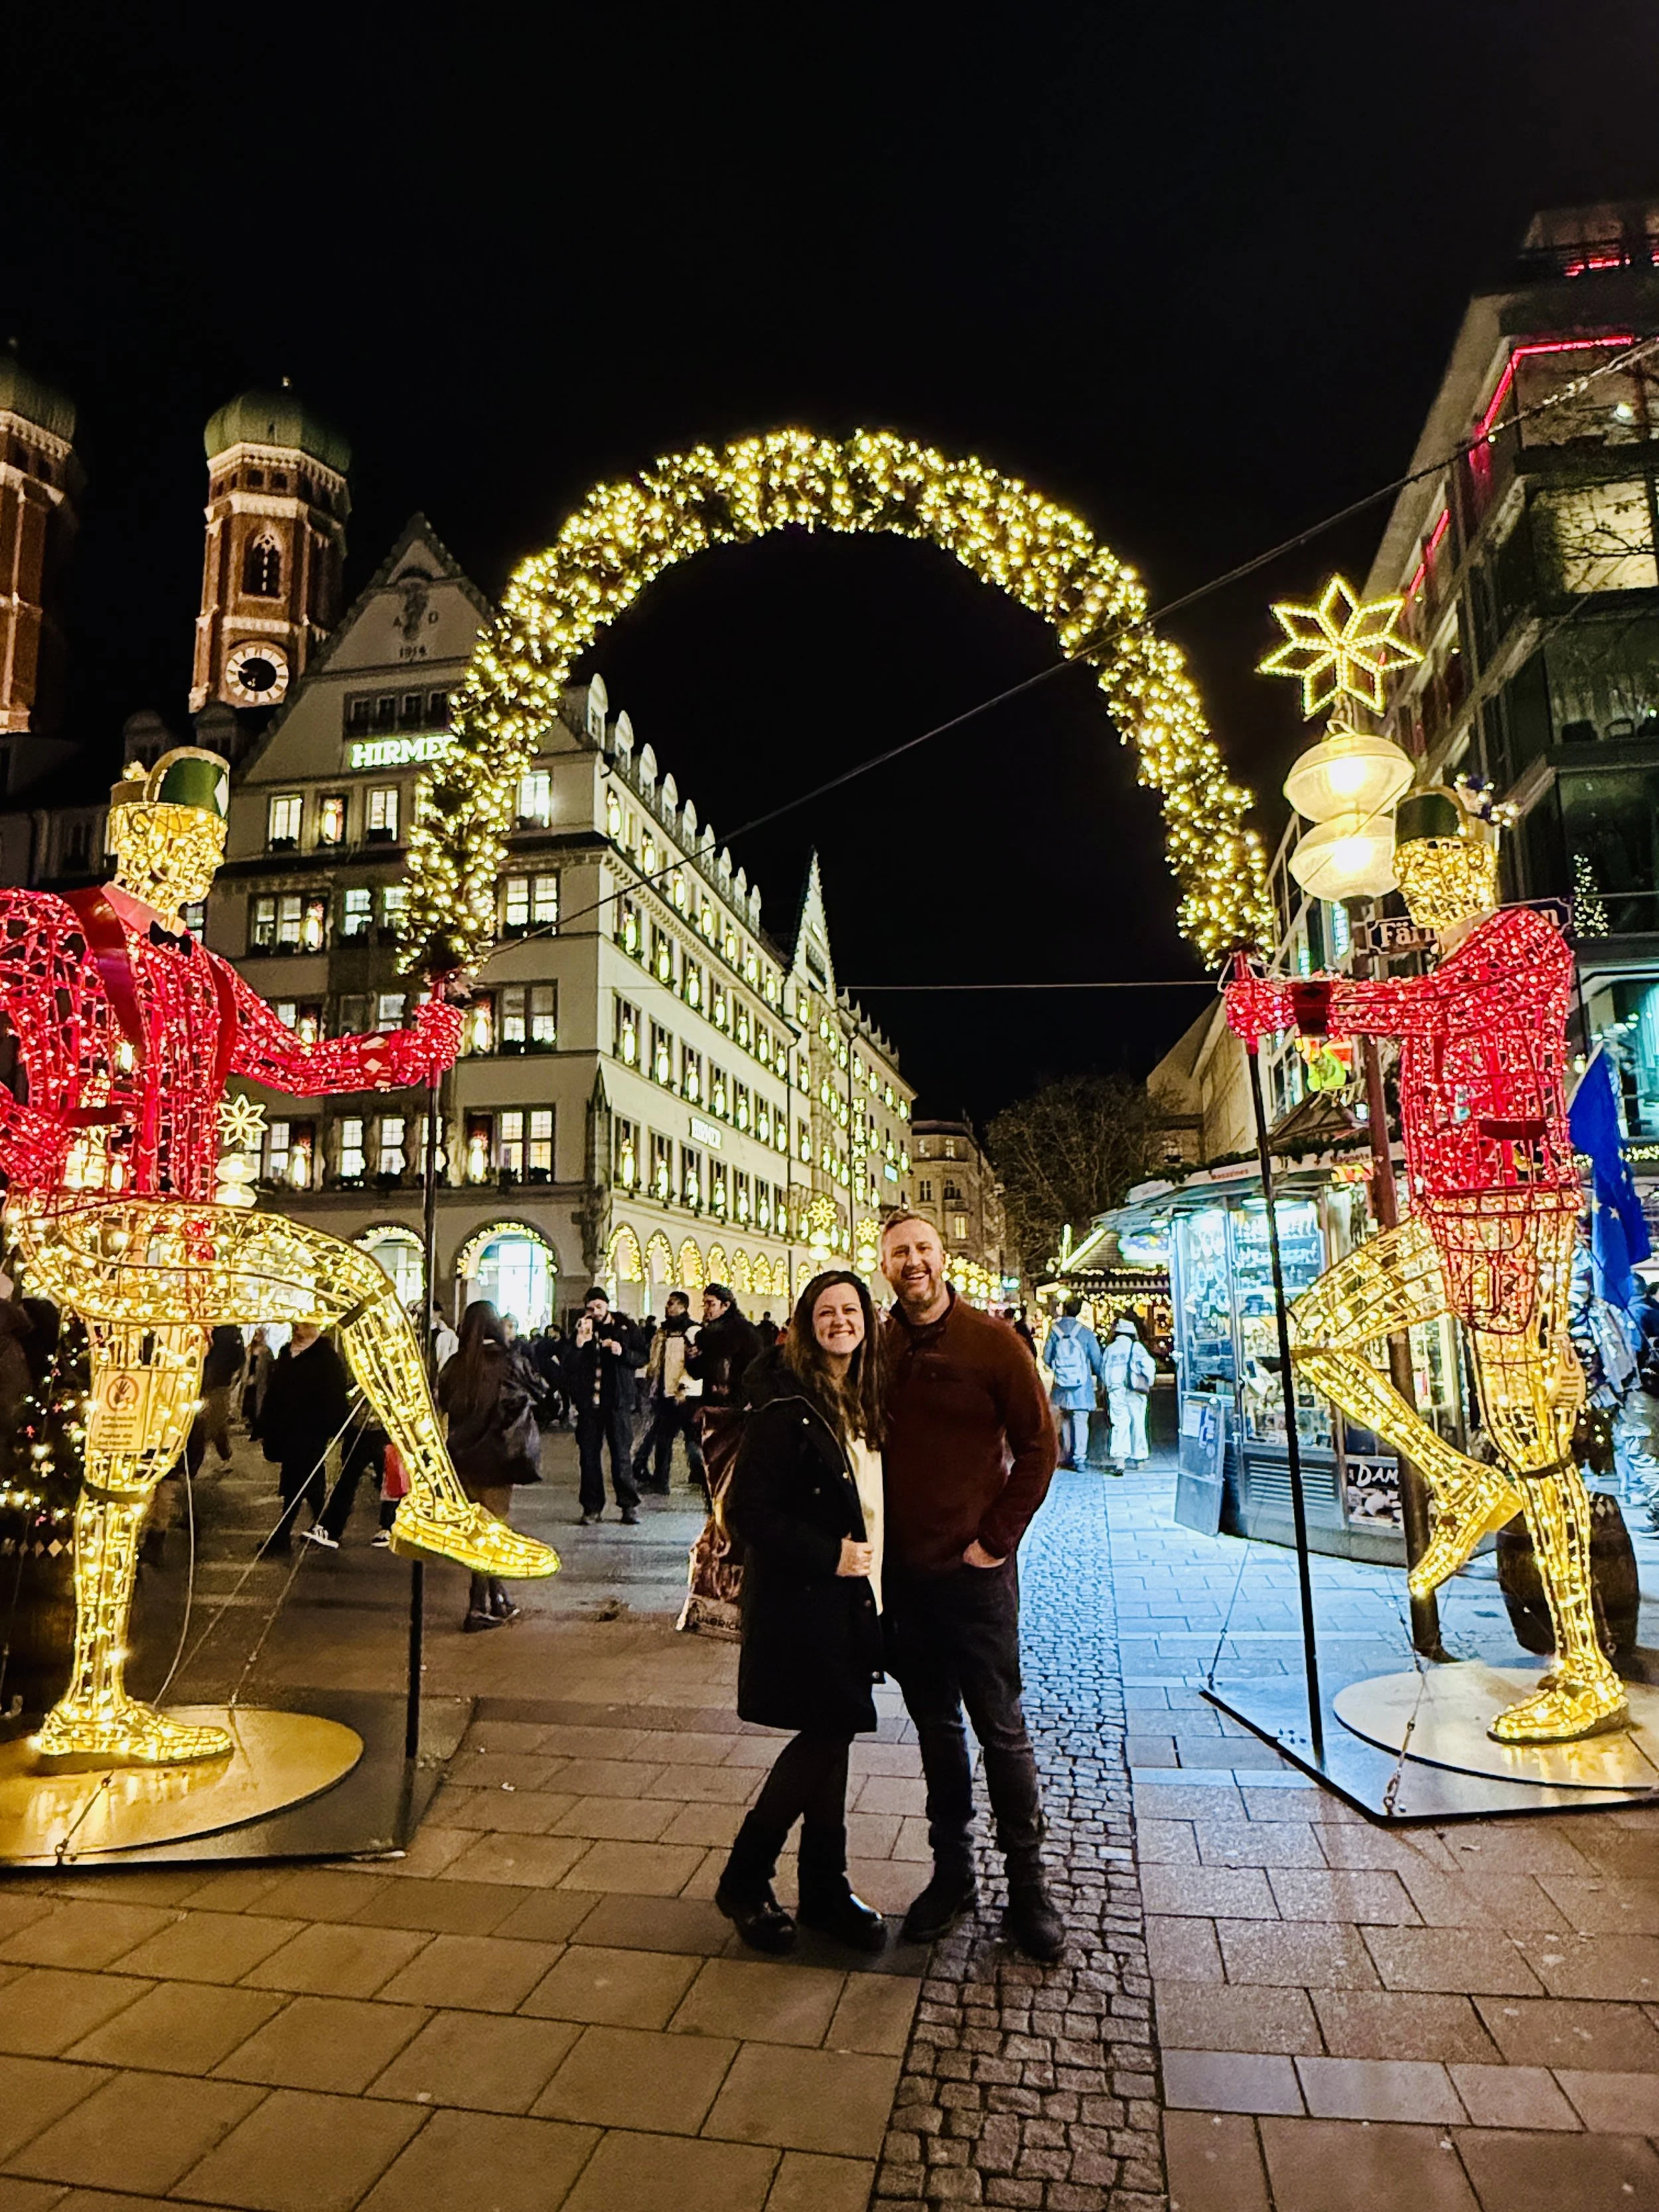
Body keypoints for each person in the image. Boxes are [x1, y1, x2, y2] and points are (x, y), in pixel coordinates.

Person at [879, 1213, 1064, 1962]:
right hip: (906, 1580)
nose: (914, 1263)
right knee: (935, 1730)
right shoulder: (878, 1344)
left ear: (941, 1258)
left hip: (976, 1579)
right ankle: (952, 1874)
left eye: (923, 1249)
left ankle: (1029, 1887)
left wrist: (995, 1540)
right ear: (884, 1265)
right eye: (900, 1254)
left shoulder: (993, 1342)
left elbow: (1038, 1445)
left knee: (1001, 1731)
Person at [717, 1269, 888, 1956]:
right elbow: (749, 1510)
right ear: (805, 1321)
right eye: (826, 1311)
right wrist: (830, 1556)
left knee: (835, 1732)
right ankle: (745, 1876)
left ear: (867, 1320)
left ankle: (824, 1887)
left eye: (851, 1310)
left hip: (853, 1599)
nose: (840, 1320)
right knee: (827, 1732)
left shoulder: (860, 1395)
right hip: (804, 1598)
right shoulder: (789, 1400)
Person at [437, 1300, 543, 1629]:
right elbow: (542, 1392)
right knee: (491, 1531)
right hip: (498, 1458)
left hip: (462, 1459)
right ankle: (476, 1606)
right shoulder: (510, 1361)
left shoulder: (456, 1365)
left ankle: (500, 1599)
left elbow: (443, 1401)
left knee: (477, 1530)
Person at [257, 1321, 353, 1554]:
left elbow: (334, 1396)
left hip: (310, 1430)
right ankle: (325, 1526)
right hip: (290, 1429)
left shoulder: (325, 1359)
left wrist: (329, 1424)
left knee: (298, 1482)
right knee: (308, 1481)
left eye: (302, 1325)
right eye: (295, 1325)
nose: (297, 1330)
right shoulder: (287, 1353)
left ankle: (283, 1537)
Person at [570, 1288, 641, 1525]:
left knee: (621, 1454)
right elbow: (569, 1362)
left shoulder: (625, 1326)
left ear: (607, 1306)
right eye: (591, 1308)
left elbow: (642, 1356)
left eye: (599, 1307)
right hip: (590, 1405)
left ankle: (628, 1505)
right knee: (588, 1457)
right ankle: (592, 1507)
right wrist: (580, 1343)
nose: (595, 1313)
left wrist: (623, 1353)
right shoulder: (583, 1328)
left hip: (617, 1402)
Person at [688, 1282, 762, 1492]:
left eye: (711, 1304)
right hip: (714, 1403)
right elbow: (701, 1371)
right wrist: (693, 1359)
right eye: (705, 1304)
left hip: (734, 1404)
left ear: (726, 1305)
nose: (706, 1309)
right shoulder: (714, 1332)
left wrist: (700, 1340)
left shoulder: (736, 1331)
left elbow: (719, 1345)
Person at [632, 1290, 706, 1495]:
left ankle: (698, 1473)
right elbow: (655, 1362)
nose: (668, 1307)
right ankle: (661, 1479)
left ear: (683, 1307)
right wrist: (652, 1383)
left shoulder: (692, 1331)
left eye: (672, 1303)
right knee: (665, 1438)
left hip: (684, 1393)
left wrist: (684, 1387)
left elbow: (693, 1364)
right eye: (667, 1303)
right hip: (664, 1392)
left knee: (691, 1437)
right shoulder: (662, 1332)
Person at [1043, 1297, 1106, 1470]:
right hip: (1082, 1384)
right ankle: (1080, 1459)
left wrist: (1060, 1370)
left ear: (1063, 1308)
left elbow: (1047, 1357)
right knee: (1080, 1419)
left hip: (1061, 1385)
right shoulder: (1085, 1332)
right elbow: (1097, 1360)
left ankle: (1066, 1454)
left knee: (1064, 1418)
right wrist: (1101, 1381)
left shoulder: (1054, 1330)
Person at [1101, 1315, 1157, 1471]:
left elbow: (1104, 1372)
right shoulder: (1136, 1347)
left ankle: (1120, 1461)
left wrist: (1108, 1387)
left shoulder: (1110, 1350)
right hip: (1135, 1392)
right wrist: (1148, 1382)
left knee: (1119, 1424)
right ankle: (1140, 1460)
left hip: (1116, 1391)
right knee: (1138, 1423)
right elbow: (1149, 1365)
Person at [199, 1324, 246, 1466]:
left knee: (216, 1424)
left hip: (217, 1384)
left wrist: (226, 1375)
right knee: (198, 1425)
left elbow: (237, 1359)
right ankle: (190, 1465)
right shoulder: (200, 1327)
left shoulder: (229, 1333)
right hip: (200, 1382)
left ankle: (225, 1455)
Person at [242, 1325, 273, 1438]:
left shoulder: (266, 1351)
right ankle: (251, 1424)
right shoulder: (249, 1349)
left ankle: (257, 1430)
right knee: (249, 1405)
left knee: (258, 1405)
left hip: (260, 1382)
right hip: (249, 1381)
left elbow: (269, 1367)